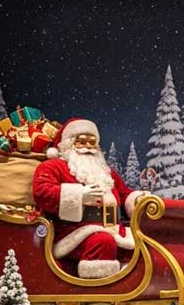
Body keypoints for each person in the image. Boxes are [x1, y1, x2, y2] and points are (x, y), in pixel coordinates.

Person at [32, 117, 151, 279]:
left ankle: (136, 285)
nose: (88, 146)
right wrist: (79, 196)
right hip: (75, 233)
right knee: (103, 241)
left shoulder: (105, 171)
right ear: (68, 144)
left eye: (92, 142)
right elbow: (42, 192)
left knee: (144, 244)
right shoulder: (52, 167)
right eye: (82, 142)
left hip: (115, 230)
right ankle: (100, 289)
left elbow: (124, 194)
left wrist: (137, 200)